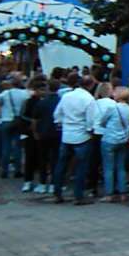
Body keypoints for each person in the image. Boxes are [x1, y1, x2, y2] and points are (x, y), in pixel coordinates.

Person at [51, 72, 97, 204]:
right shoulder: (89, 99)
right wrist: (90, 131)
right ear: (91, 85)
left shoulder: (66, 96)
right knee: (81, 167)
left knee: (61, 165)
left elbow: (57, 113)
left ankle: (57, 193)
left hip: (67, 134)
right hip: (82, 135)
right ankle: (78, 196)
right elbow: (90, 120)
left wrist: (60, 123)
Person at [100, 86, 129, 203]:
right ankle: (123, 193)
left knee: (108, 168)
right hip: (123, 140)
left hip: (109, 139)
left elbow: (102, 121)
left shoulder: (112, 107)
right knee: (121, 167)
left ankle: (109, 194)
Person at [0, 74, 28, 179]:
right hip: (18, 121)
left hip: (6, 120)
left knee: (6, 146)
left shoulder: (4, 94)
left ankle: (4, 170)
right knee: (17, 146)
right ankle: (18, 170)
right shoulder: (24, 94)